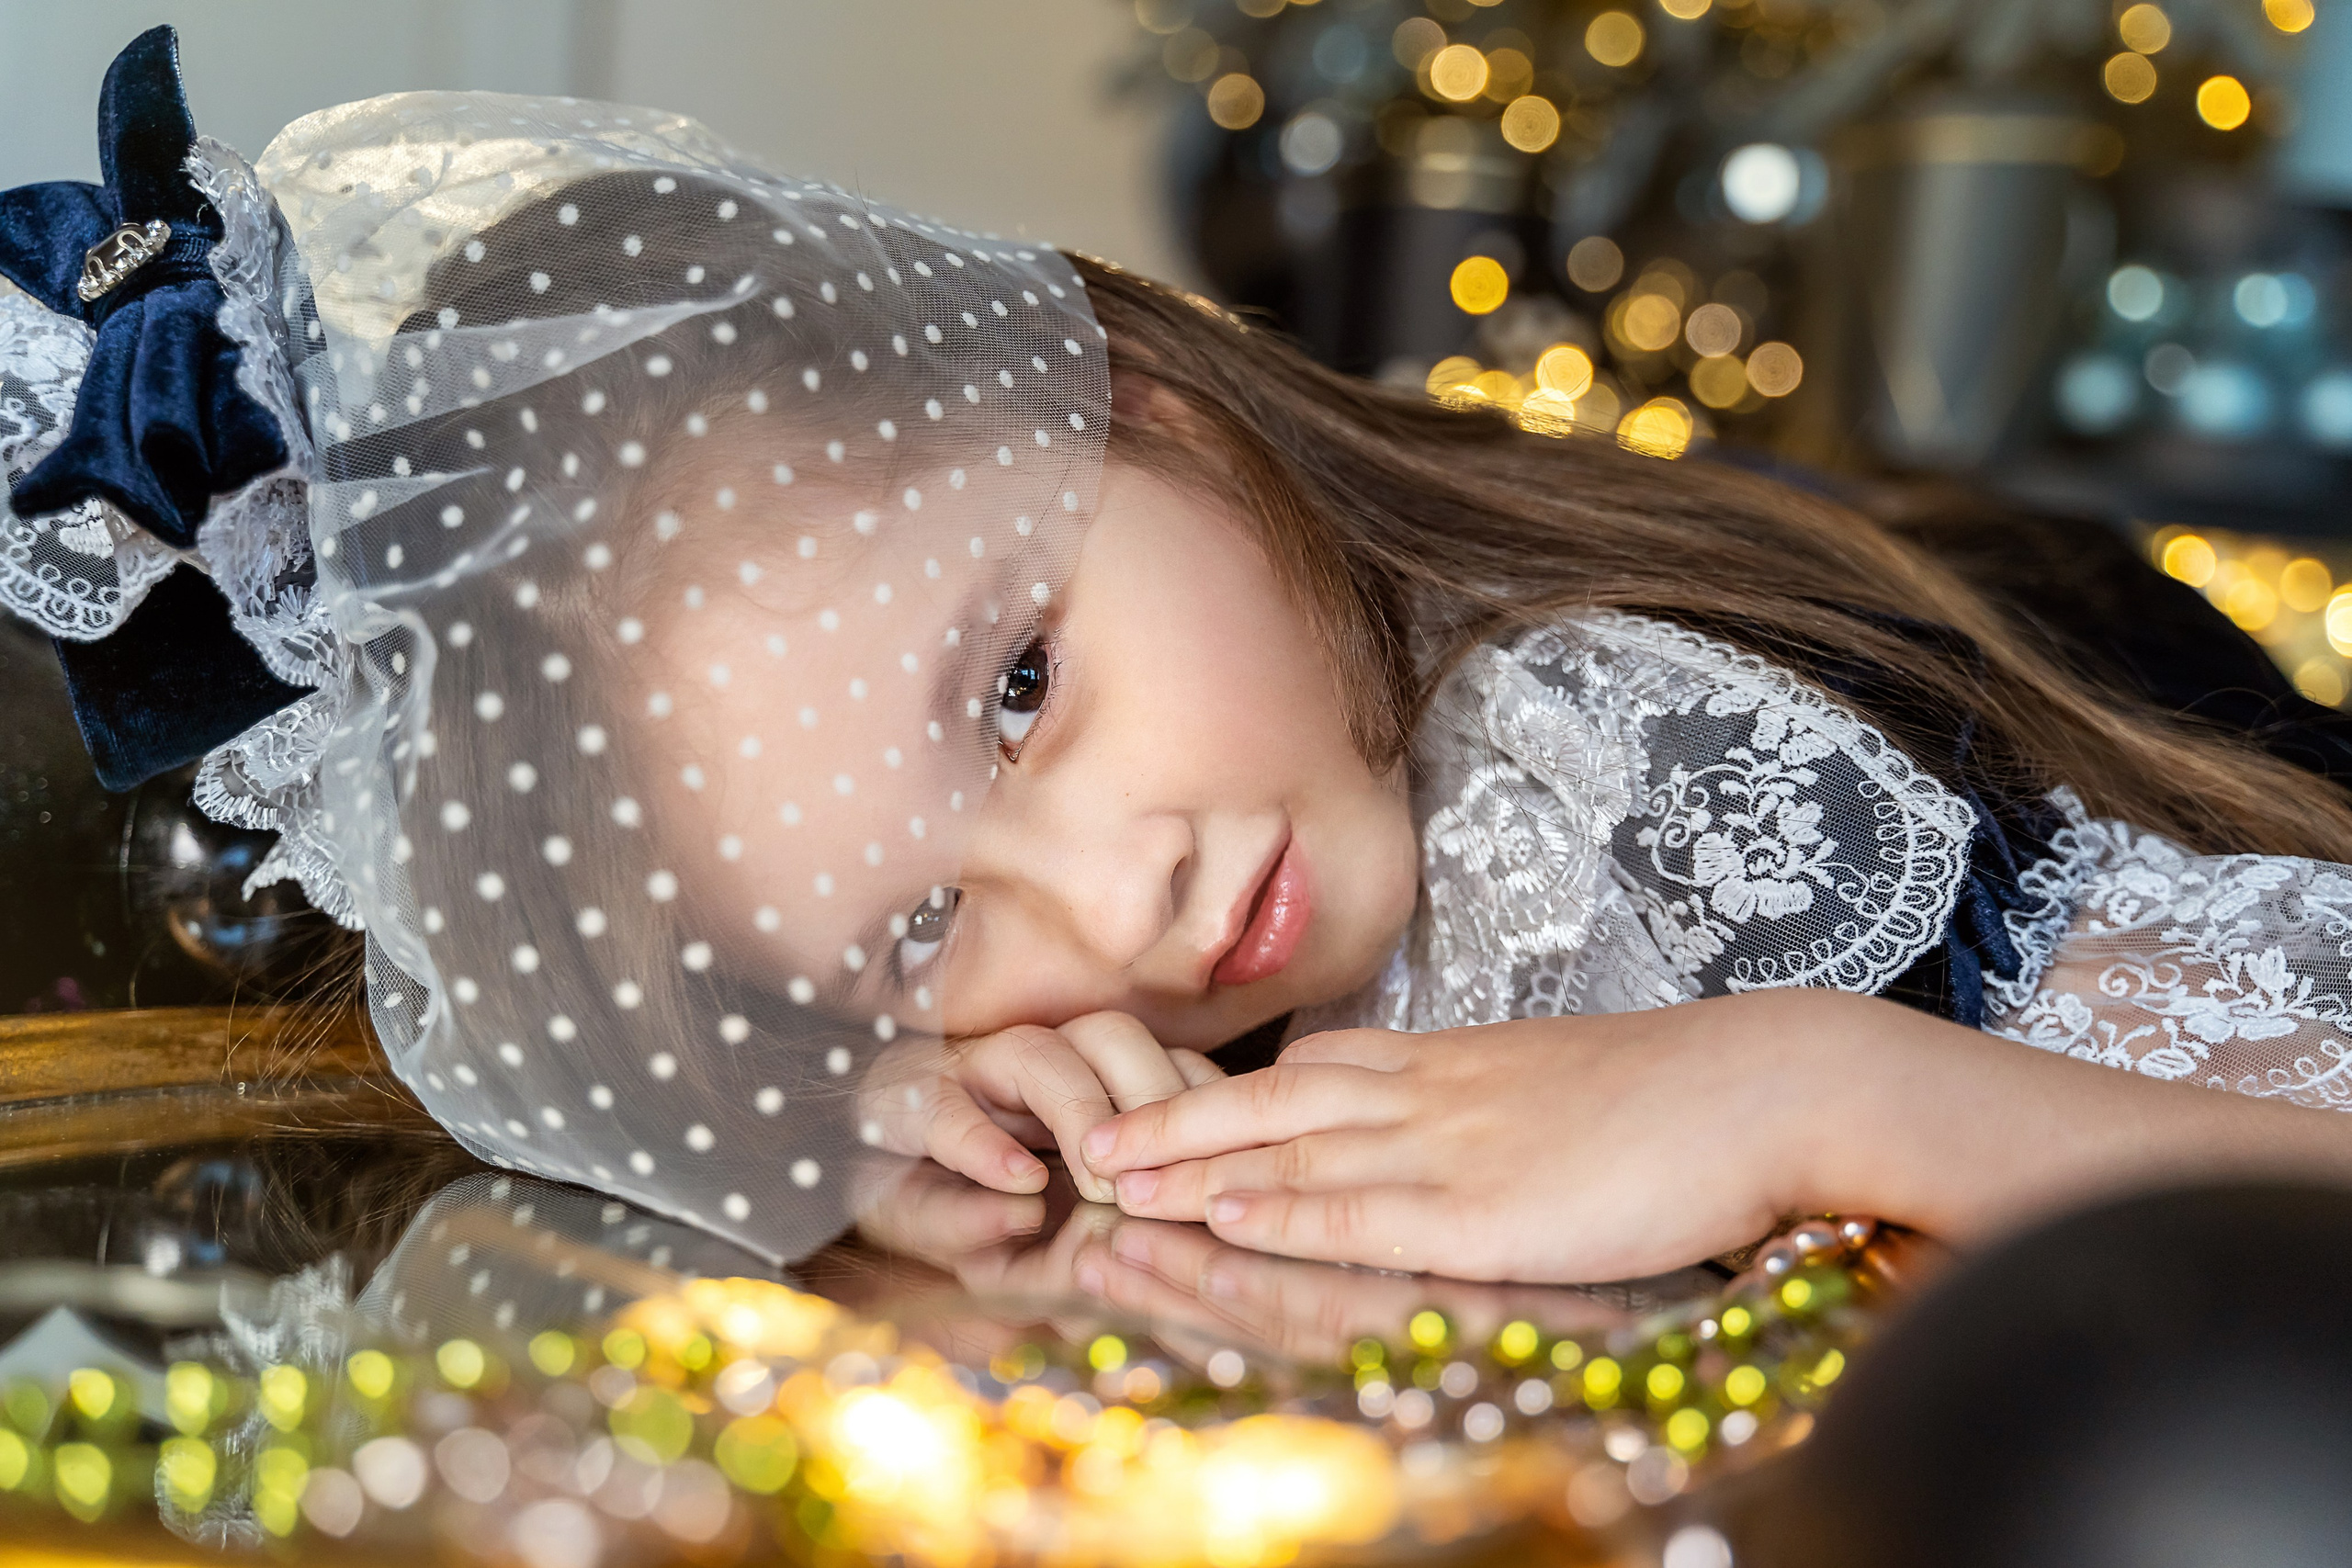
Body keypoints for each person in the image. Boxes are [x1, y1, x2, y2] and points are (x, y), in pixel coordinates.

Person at [9, 29, 2352, 1279]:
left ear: (1143, 403)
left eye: (1013, 683)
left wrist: (1825, 1091)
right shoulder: (1157, 1025)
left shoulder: (1697, 756)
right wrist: (828, 1121)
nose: (1105, 899)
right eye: (916, 922)